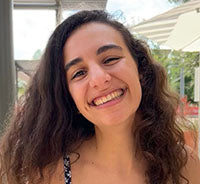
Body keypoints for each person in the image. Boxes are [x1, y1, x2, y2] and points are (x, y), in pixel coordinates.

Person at [0, 10, 200, 184]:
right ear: (69, 97)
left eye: (110, 59)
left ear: (140, 68)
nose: (99, 78)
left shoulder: (185, 165)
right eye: (78, 73)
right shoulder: (50, 175)